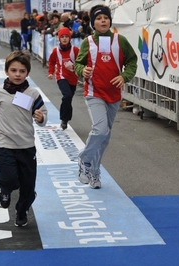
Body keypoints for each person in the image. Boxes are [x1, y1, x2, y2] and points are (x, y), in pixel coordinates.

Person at [0, 50, 48, 227]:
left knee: (28, 188)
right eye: (14, 70)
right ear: (7, 71)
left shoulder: (32, 94)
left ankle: (22, 211)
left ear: (27, 73)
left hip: (26, 146)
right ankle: (5, 189)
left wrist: (41, 118)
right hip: (4, 144)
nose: (18, 74)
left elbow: (42, 114)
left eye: (22, 71)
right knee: (9, 178)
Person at [74, 5, 138, 189]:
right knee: (100, 130)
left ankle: (94, 173)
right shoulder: (88, 42)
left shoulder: (120, 40)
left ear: (110, 20)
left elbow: (132, 61)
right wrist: (82, 70)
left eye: (105, 18)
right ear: (93, 23)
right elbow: (79, 63)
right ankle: (84, 159)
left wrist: (124, 76)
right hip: (94, 93)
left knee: (105, 137)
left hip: (114, 95)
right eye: (99, 18)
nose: (103, 21)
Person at [47, 27, 79, 130]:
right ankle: (64, 119)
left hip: (73, 78)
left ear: (70, 38)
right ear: (59, 39)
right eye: (62, 37)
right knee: (67, 95)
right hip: (61, 77)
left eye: (66, 37)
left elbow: (81, 62)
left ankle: (65, 120)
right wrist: (51, 73)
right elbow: (51, 62)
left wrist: (74, 67)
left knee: (68, 99)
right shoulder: (56, 51)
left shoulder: (75, 50)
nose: (64, 39)